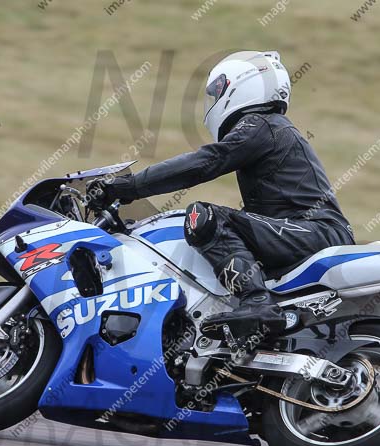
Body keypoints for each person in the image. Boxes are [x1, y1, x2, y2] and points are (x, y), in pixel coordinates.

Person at [88, 51, 355, 342]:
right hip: (307, 232)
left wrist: (126, 186)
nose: (213, 100)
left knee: (203, 217)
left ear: (243, 84)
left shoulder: (262, 124)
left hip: (317, 231)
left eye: (217, 90)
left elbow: (205, 163)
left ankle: (256, 301)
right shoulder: (268, 129)